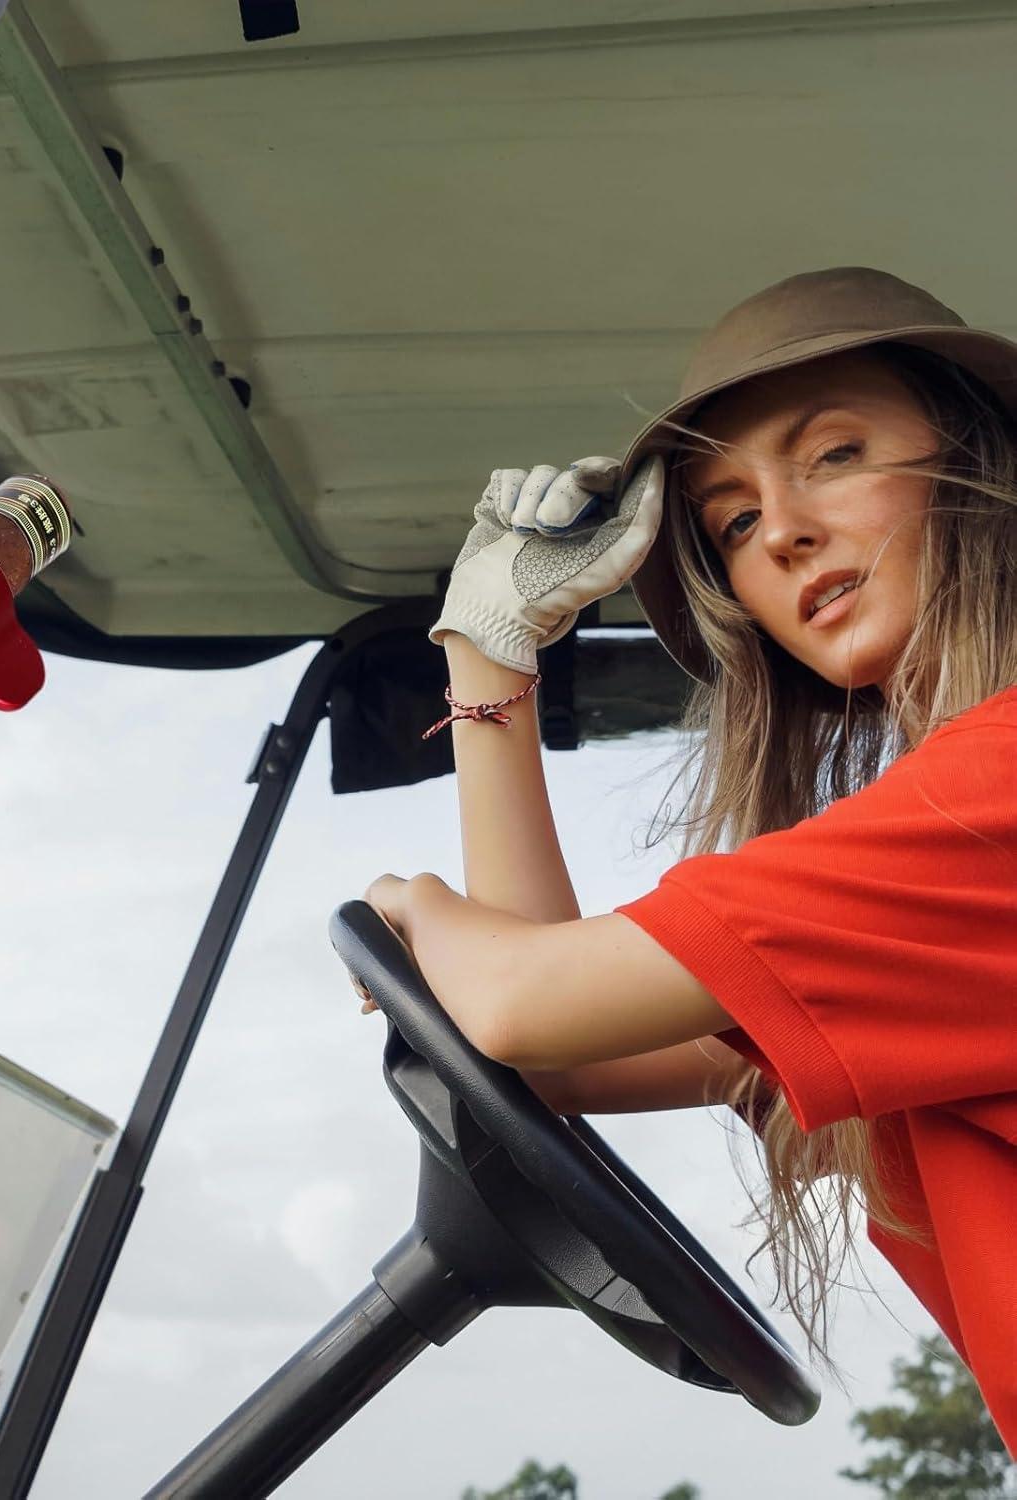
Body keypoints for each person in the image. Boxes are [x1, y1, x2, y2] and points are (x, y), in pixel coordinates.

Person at [356, 267, 1016, 1448]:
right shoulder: (920, 889)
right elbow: (552, 1069)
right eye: (737, 522)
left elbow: (517, 1004)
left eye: (837, 454)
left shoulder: (993, 798)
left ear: (983, 463)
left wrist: (409, 905)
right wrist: (489, 651)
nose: (788, 532)